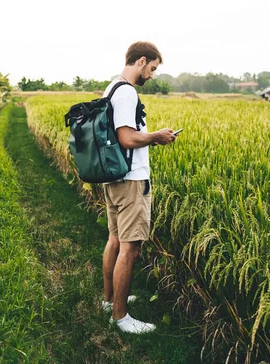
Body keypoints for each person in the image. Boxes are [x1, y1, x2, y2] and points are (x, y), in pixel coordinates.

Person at [101, 41, 177, 333]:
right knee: (130, 248)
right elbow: (127, 138)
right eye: (153, 68)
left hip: (114, 176)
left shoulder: (111, 87)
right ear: (141, 61)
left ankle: (110, 300)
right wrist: (156, 136)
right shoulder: (127, 93)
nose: (152, 75)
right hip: (131, 179)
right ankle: (121, 317)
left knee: (115, 240)